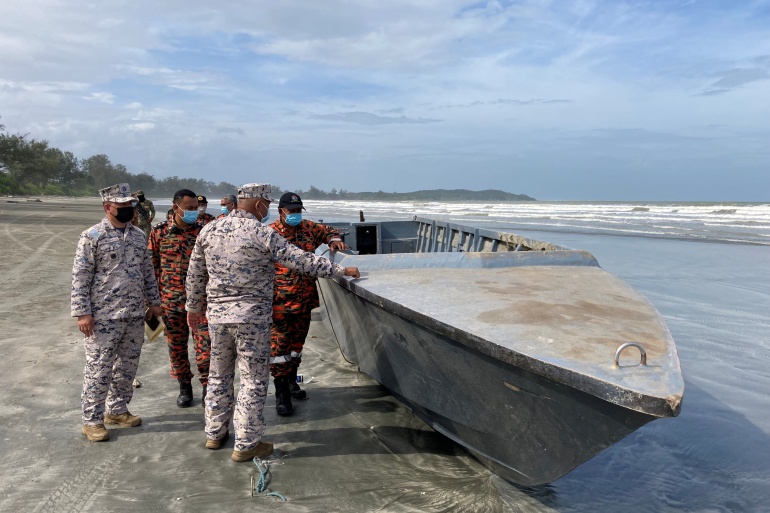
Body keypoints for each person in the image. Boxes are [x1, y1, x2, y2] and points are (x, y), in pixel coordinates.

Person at [185, 183, 360, 462]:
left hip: (217, 319)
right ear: (259, 205)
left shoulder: (209, 230)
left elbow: (195, 274)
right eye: (267, 205)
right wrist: (338, 269)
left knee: (219, 376)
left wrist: (193, 308)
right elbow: (300, 260)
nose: (267, 210)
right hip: (251, 319)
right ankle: (246, 444)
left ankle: (215, 433)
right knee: (253, 381)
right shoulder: (261, 232)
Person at [71, 183, 163, 442]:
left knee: (127, 366)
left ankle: (117, 409)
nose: (128, 211)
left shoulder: (137, 236)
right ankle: (91, 421)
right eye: (121, 207)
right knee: (99, 369)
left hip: (134, 313)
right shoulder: (92, 236)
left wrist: (154, 302)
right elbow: (81, 276)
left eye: (130, 206)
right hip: (103, 316)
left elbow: (147, 272)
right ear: (107, 207)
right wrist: (82, 313)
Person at [269, 192, 348, 416]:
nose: (295, 215)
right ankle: (281, 393)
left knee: (296, 348)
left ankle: (293, 382)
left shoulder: (309, 228)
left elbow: (330, 231)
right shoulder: (271, 233)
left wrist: (333, 239)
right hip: (279, 304)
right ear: (281, 211)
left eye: (298, 211)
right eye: (291, 211)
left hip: (303, 302)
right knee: (279, 351)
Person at [148, 189, 212, 408]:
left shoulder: (204, 233)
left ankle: (207, 388)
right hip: (170, 303)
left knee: (206, 349)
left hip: (202, 304)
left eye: (196, 208)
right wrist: (152, 302)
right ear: (176, 208)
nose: (195, 212)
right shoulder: (159, 232)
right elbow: (151, 268)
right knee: (176, 349)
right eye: (190, 208)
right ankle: (184, 387)